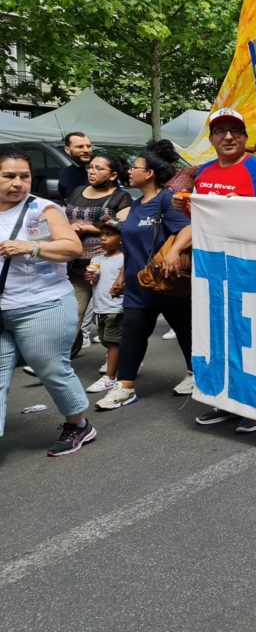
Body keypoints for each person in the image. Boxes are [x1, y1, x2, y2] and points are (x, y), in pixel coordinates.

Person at [183, 108, 256, 428]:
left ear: (245, 137)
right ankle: (226, 400)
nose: (228, 136)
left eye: (235, 131)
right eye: (220, 131)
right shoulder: (204, 174)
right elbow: (201, 223)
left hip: (248, 270)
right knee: (217, 337)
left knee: (248, 337)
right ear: (211, 139)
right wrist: (185, 213)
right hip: (211, 271)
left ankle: (254, 406)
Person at [0, 147, 96, 456]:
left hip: (43, 304)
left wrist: (30, 247)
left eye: (24, 176)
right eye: (9, 176)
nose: (18, 183)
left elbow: (71, 247)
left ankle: (79, 425)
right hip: (2, 307)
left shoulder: (41, 210)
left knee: (50, 368)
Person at [96, 141, 193, 411]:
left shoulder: (165, 200)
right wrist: (121, 277)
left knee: (186, 332)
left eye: (135, 167)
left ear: (149, 173)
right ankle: (125, 387)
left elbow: (187, 230)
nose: (129, 171)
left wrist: (173, 253)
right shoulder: (137, 205)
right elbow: (130, 246)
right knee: (132, 333)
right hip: (139, 285)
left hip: (166, 282)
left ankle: (194, 374)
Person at [64, 154, 132, 343]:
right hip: (76, 265)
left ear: (113, 175)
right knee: (71, 316)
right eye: (90, 167)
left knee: (110, 316)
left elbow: (121, 224)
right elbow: (66, 216)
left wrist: (87, 227)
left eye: (99, 169)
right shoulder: (78, 191)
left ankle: (116, 362)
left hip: (106, 266)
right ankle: (55, 361)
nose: (92, 171)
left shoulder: (121, 196)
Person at [84, 218, 124, 393]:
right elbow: (94, 279)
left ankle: (110, 377)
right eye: (101, 234)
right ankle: (125, 361)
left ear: (121, 239)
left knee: (113, 342)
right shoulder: (96, 258)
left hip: (116, 307)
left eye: (109, 235)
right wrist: (91, 277)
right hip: (100, 307)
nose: (103, 238)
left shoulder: (124, 258)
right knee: (107, 340)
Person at [57, 132, 93, 201]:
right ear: (67, 150)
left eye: (89, 146)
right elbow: (63, 199)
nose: (86, 150)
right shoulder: (64, 173)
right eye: (80, 147)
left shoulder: (103, 170)